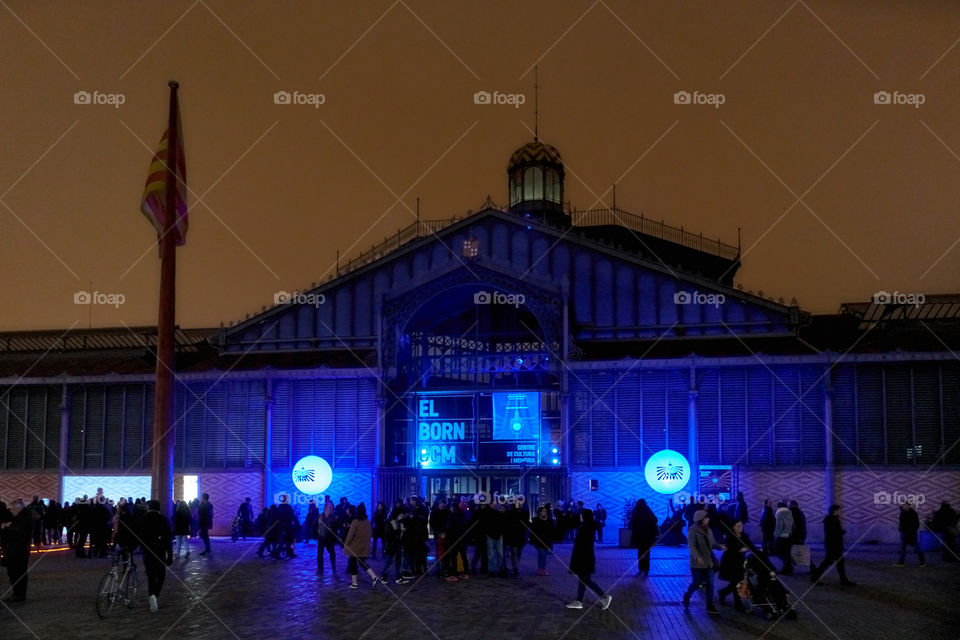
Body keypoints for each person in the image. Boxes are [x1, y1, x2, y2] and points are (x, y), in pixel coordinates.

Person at [566, 509, 612, 610]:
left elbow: (581, 544)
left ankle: (604, 597)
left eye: (581, 515)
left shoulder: (585, 527)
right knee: (583, 580)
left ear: (585, 516)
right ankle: (579, 601)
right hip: (586, 557)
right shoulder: (589, 526)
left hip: (584, 558)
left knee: (586, 580)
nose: (580, 516)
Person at [682, 509, 725, 616]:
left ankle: (710, 605)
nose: (708, 519)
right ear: (701, 519)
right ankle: (687, 596)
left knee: (710, 584)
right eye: (706, 518)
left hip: (709, 562)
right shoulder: (692, 531)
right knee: (696, 583)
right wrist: (697, 557)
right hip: (697, 564)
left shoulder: (709, 530)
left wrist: (720, 547)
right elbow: (692, 546)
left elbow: (712, 543)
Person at [137, 500, 173, 613]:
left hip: (147, 551)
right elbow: (168, 538)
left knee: (150, 576)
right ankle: (155, 595)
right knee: (161, 575)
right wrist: (170, 555)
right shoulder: (162, 519)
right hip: (159, 551)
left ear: (148, 507)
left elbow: (138, 534)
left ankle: (151, 594)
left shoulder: (143, 518)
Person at [1, 499, 37, 602]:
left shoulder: (26, 517)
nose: (10, 511)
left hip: (19, 551)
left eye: (12, 509)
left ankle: (19, 595)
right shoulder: (20, 516)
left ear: (18, 508)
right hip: (15, 549)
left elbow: (20, 532)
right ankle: (17, 593)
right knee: (13, 573)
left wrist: (7, 527)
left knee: (18, 573)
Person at [810, 505, 855, 587]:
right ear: (835, 511)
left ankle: (815, 577)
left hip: (833, 545)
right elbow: (833, 533)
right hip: (833, 545)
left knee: (834, 562)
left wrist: (840, 532)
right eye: (839, 510)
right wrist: (841, 532)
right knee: (832, 562)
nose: (840, 512)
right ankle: (843, 580)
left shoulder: (832, 519)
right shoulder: (832, 520)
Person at [717, 520, 753, 612]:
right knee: (736, 582)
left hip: (740, 563)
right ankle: (738, 604)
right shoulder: (730, 536)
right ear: (733, 527)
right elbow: (730, 549)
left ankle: (723, 592)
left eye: (741, 525)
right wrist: (739, 549)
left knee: (735, 583)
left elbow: (750, 545)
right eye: (738, 526)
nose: (740, 527)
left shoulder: (744, 536)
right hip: (730, 563)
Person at [343, 503, 381, 589]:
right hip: (363, 546)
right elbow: (370, 534)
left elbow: (350, 535)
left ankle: (354, 583)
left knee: (353, 564)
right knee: (362, 563)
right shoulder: (367, 522)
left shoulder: (355, 522)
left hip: (355, 546)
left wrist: (346, 543)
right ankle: (374, 576)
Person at [629, 498, 659, 577]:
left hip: (639, 536)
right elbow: (655, 519)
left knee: (640, 552)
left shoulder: (636, 510)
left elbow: (632, 522)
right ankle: (646, 569)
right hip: (648, 536)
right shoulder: (647, 510)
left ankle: (641, 568)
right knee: (647, 553)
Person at [894, 502, 925, 567]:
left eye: (904, 505)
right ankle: (901, 562)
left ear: (908, 506)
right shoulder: (902, 512)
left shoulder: (913, 513)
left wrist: (913, 530)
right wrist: (900, 529)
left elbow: (916, 523)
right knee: (902, 548)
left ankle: (922, 561)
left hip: (911, 533)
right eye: (903, 505)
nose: (903, 506)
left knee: (916, 548)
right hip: (904, 532)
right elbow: (901, 522)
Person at [529, 505, 555, 576]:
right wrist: (532, 540)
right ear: (540, 512)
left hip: (547, 541)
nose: (545, 512)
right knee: (542, 554)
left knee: (544, 556)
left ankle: (542, 568)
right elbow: (533, 531)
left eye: (546, 511)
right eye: (543, 511)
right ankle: (541, 569)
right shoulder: (536, 520)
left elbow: (552, 531)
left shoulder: (549, 520)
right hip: (539, 541)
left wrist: (551, 538)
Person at [789, 500, 814, 573]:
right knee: (800, 552)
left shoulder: (795, 513)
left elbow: (795, 526)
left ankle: (813, 568)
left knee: (802, 552)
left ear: (793, 505)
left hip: (796, 536)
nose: (789, 506)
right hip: (799, 536)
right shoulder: (799, 513)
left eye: (790, 505)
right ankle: (813, 568)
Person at [317, 502, 338, 575]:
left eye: (331, 508)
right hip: (321, 538)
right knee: (320, 554)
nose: (331, 509)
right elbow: (315, 526)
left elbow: (335, 528)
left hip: (329, 539)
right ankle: (320, 570)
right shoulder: (320, 516)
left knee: (332, 554)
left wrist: (335, 537)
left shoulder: (333, 517)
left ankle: (334, 568)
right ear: (325, 508)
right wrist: (317, 535)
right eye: (329, 508)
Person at [773, 501, 794, 575]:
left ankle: (787, 566)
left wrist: (775, 535)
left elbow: (779, 526)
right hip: (789, 535)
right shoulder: (790, 513)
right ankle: (788, 567)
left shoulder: (779, 513)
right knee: (786, 553)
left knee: (778, 551)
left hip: (781, 536)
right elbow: (792, 524)